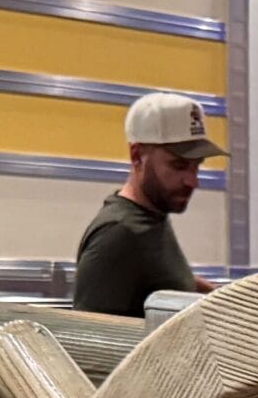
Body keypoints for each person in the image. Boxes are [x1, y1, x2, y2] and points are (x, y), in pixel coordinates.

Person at [72, 90, 220, 315]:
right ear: (137, 156)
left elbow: (160, 280)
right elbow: (88, 333)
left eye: (196, 166)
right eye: (179, 165)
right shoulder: (118, 235)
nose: (192, 181)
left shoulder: (153, 217)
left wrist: (217, 295)